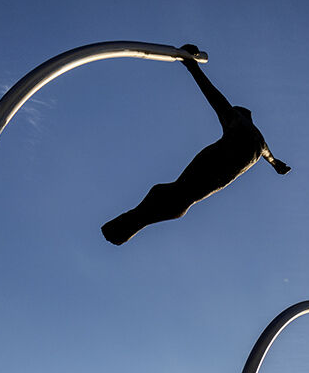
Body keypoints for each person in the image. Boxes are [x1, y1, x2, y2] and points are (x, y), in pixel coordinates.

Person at [101, 44, 291, 244]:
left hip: (177, 198)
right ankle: (118, 231)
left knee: (157, 198)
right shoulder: (260, 142)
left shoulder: (234, 119)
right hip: (180, 201)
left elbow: (212, 93)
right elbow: (270, 156)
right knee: (155, 200)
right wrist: (276, 164)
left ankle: (117, 231)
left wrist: (191, 64)